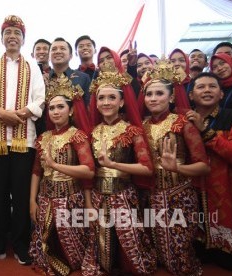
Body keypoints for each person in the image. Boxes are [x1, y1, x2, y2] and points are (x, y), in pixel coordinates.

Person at [0, 15, 45, 265]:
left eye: (17, 32)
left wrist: (20, 115)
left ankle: (21, 244)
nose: (12, 36)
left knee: (20, 191)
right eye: (8, 33)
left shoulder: (33, 67)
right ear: (2, 38)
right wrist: (2, 114)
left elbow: (39, 100)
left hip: (23, 139)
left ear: (23, 39)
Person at [82, 61, 156, 275]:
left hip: (124, 194)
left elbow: (147, 168)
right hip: (97, 195)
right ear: (95, 103)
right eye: (101, 98)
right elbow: (88, 173)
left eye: (112, 97)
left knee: (132, 249)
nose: (106, 102)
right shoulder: (92, 133)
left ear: (122, 101)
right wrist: (88, 202)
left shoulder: (132, 131)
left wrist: (114, 165)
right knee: (101, 253)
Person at [142, 59, 210, 275]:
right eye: (149, 94)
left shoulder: (182, 123)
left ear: (171, 97)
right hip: (151, 196)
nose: (153, 98)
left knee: (179, 259)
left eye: (159, 93)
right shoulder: (141, 126)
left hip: (179, 195)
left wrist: (177, 169)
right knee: (159, 254)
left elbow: (203, 166)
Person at [29, 74, 95, 276]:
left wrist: (55, 165)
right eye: (52, 108)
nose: (55, 112)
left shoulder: (77, 136)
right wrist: (31, 200)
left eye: (60, 107)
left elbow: (89, 171)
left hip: (70, 198)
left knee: (73, 256)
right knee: (44, 248)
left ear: (72, 110)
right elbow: (36, 171)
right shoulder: (43, 138)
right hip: (46, 197)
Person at [186, 72, 232, 270]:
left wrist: (205, 131)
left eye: (212, 86)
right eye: (200, 87)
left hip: (226, 188)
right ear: (191, 95)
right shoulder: (182, 120)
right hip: (192, 188)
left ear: (221, 94)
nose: (207, 90)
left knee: (229, 263)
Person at [48, 37, 91, 107]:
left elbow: (88, 106)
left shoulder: (83, 78)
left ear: (70, 56)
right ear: (49, 56)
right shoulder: (43, 79)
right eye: (54, 49)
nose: (58, 51)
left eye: (62, 48)